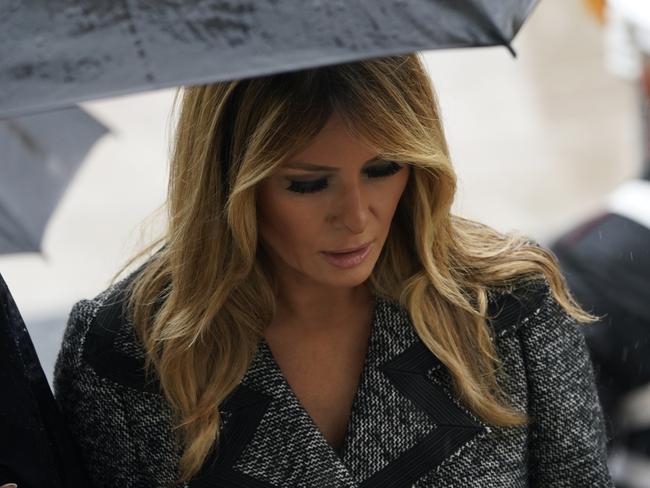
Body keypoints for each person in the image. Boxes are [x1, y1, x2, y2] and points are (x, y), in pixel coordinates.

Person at [53, 53, 614, 487]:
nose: (355, 217)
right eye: (307, 183)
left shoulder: (506, 306)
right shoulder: (126, 350)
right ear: (227, 182)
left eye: (383, 168)